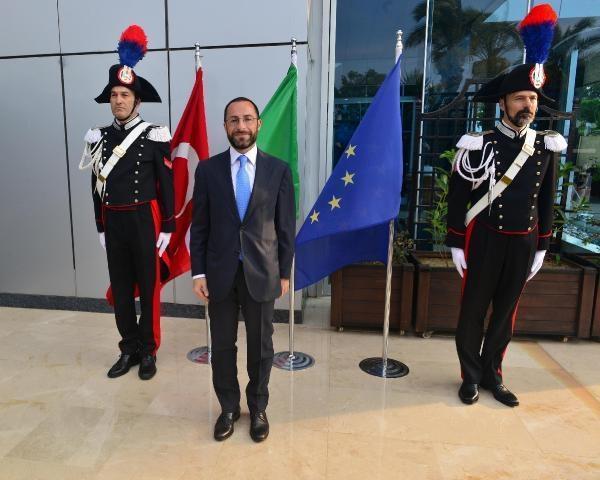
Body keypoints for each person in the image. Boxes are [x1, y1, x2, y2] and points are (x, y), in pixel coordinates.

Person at [445, 4, 566, 407]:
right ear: (503, 103)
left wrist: (543, 245)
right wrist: (456, 241)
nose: (527, 105)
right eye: (519, 98)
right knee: (473, 310)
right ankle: (469, 376)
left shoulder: (545, 146)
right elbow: (459, 196)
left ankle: (493, 375)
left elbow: (545, 197)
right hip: (485, 237)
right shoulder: (478, 144)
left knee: (505, 315)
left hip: (523, 240)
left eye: (532, 98)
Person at [190, 97, 295, 442]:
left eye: (248, 119)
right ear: (225, 126)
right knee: (222, 346)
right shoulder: (207, 170)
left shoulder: (278, 170)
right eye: (234, 120)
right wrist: (198, 272)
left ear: (258, 124)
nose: (241, 126)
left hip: (263, 272)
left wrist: (284, 272)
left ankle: (258, 407)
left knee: (261, 347)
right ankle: (228, 408)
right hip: (219, 274)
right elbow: (200, 226)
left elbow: (285, 228)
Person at [80, 25, 174, 380]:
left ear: (137, 100)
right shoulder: (98, 138)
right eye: (114, 94)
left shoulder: (154, 135)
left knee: (148, 288)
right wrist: (99, 225)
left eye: (125, 94)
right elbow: (96, 186)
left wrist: (168, 224)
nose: (118, 100)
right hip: (114, 221)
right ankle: (129, 347)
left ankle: (148, 350)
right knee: (121, 289)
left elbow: (166, 183)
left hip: (143, 219)